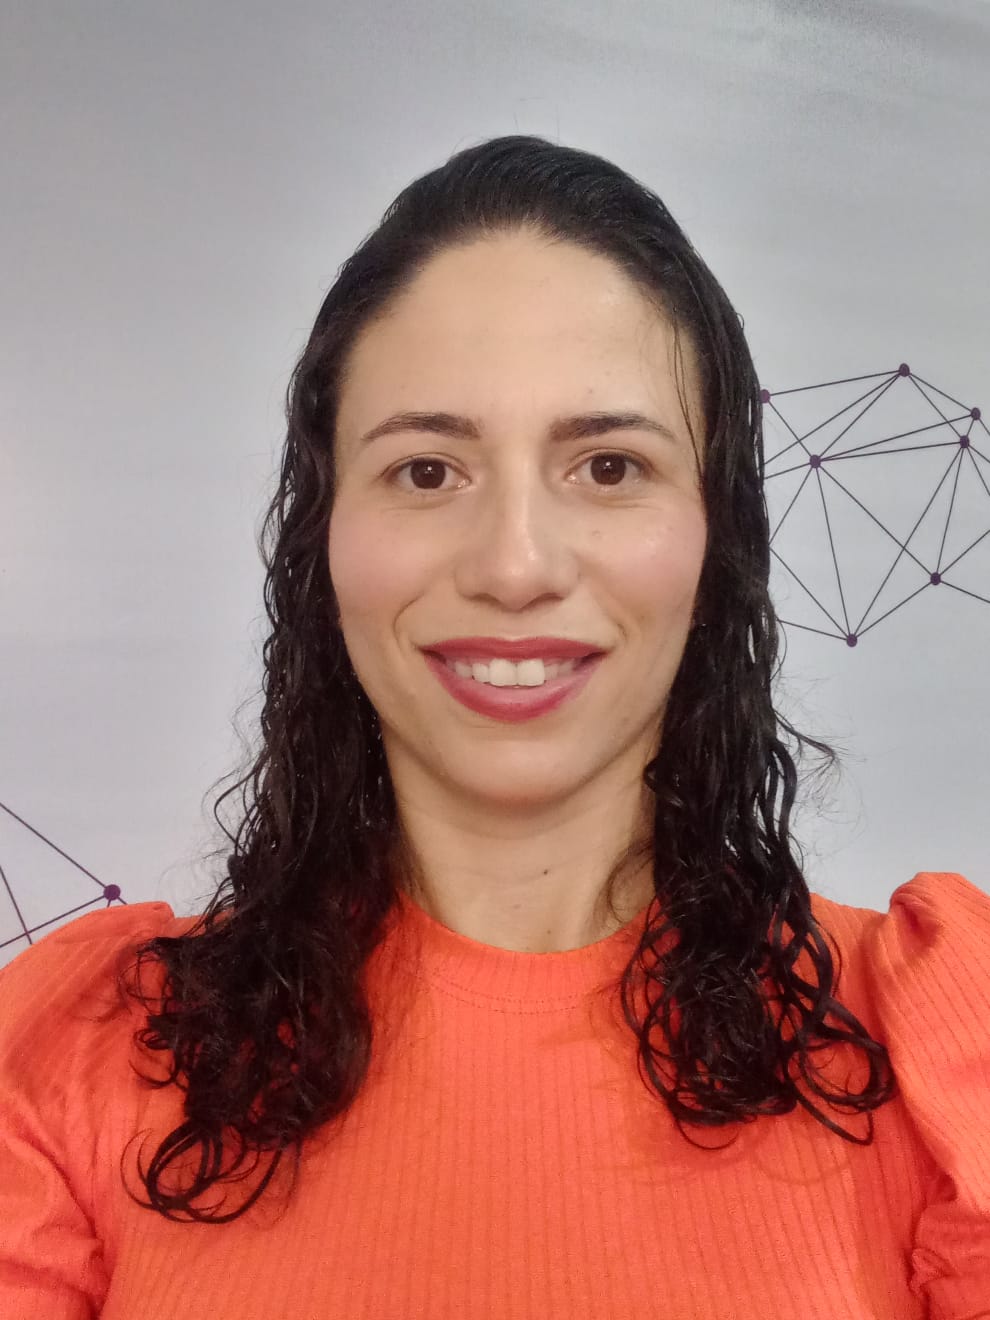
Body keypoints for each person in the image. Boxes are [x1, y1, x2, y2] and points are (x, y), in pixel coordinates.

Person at [1, 134, 988, 1319]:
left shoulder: (943, 1048)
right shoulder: (77, 1062)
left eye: (609, 467)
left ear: (714, 540)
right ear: (324, 539)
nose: (516, 566)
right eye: (427, 471)